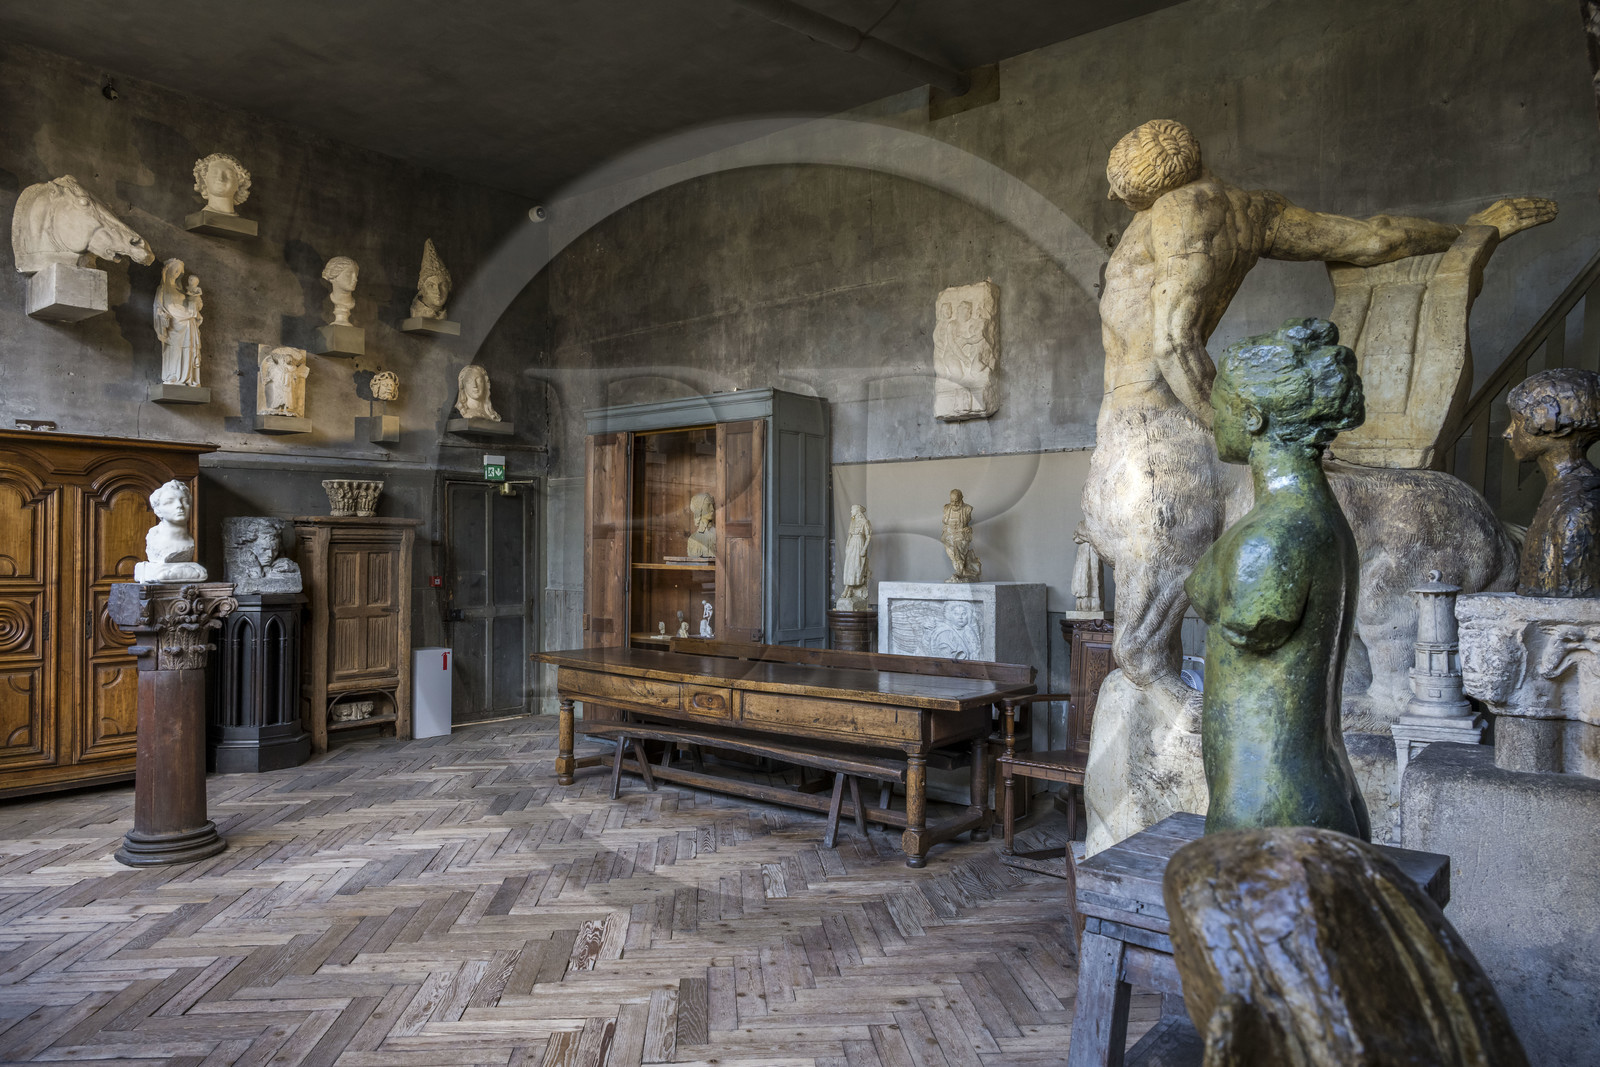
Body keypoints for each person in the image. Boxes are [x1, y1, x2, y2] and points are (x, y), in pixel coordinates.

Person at [1083, 118, 1556, 713]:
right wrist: (1468, 232)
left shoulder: (1182, 212)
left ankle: (1156, 681)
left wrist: (1235, 433)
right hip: (1166, 418)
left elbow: (1173, 342)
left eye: (1122, 185)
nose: (1116, 198)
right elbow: (1375, 239)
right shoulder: (1254, 211)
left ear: (1146, 178)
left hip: (1154, 420)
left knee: (1166, 547)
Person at [1184, 319, 1368, 838]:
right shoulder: (1319, 522)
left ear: (1253, 416)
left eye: (1219, 404)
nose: (1213, 417)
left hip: (1268, 807)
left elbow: (1253, 625)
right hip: (1312, 794)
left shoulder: (1273, 539)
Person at [1505, 368, 1600, 597]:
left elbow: (1573, 613)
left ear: (1556, 426)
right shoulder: (1561, 495)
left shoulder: (1576, 512)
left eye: (1517, 421)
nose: (1507, 433)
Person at [153, 259, 202, 387]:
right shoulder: (163, 289)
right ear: (168, 270)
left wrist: (194, 303)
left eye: (179, 272)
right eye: (175, 270)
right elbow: (162, 307)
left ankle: (187, 378)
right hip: (174, 325)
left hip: (187, 325)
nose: (177, 273)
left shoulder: (181, 290)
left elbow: (193, 305)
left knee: (187, 349)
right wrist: (189, 313)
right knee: (174, 350)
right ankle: (173, 376)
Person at [837, 504, 872, 609]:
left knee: (857, 567)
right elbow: (849, 536)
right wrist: (847, 547)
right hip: (852, 545)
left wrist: (864, 549)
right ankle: (848, 587)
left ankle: (850, 588)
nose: (851, 512)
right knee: (849, 567)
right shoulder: (852, 522)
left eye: (852, 510)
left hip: (859, 544)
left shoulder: (865, 522)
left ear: (857, 511)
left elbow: (868, 536)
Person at [941, 489, 980, 582]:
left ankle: (960, 572)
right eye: (952, 501)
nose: (954, 504)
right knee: (952, 553)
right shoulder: (946, 508)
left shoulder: (967, 509)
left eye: (956, 501)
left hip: (961, 535)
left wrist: (967, 530)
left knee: (958, 551)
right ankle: (961, 572)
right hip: (948, 536)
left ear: (961, 498)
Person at [410, 239, 452, 320]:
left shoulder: (447, 313)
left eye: (442, 285)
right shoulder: (418, 313)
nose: (438, 291)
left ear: (449, 287)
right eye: (431, 285)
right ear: (422, 289)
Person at [321, 256, 359, 326]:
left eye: (356, 275)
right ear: (334, 277)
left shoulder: (359, 306)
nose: (355, 279)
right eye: (348, 274)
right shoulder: (324, 303)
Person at [686, 492, 716, 558]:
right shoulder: (692, 539)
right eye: (708, 505)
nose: (712, 509)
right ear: (699, 509)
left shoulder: (719, 537)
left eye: (712, 505)